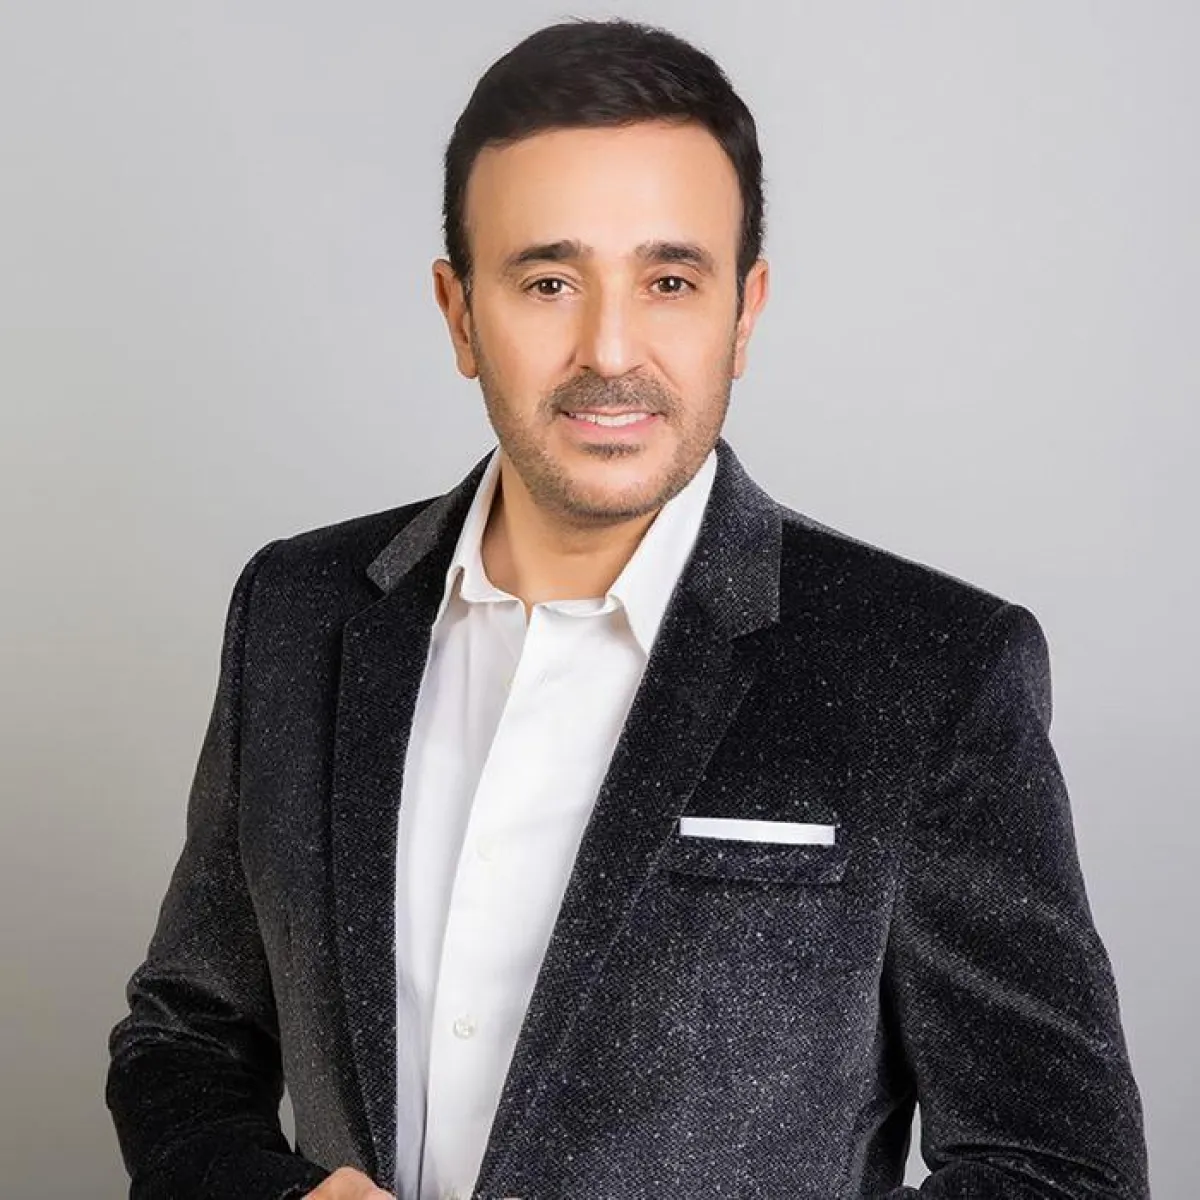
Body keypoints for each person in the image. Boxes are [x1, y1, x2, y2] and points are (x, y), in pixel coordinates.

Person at [106, 18, 1150, 1200]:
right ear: (460, 313)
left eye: (670, 281)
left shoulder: (931, 668)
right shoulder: (297, 613)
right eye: (548, 281)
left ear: (744, 311)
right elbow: (184, 1034)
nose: (610, 350)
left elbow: (1059, 1172)